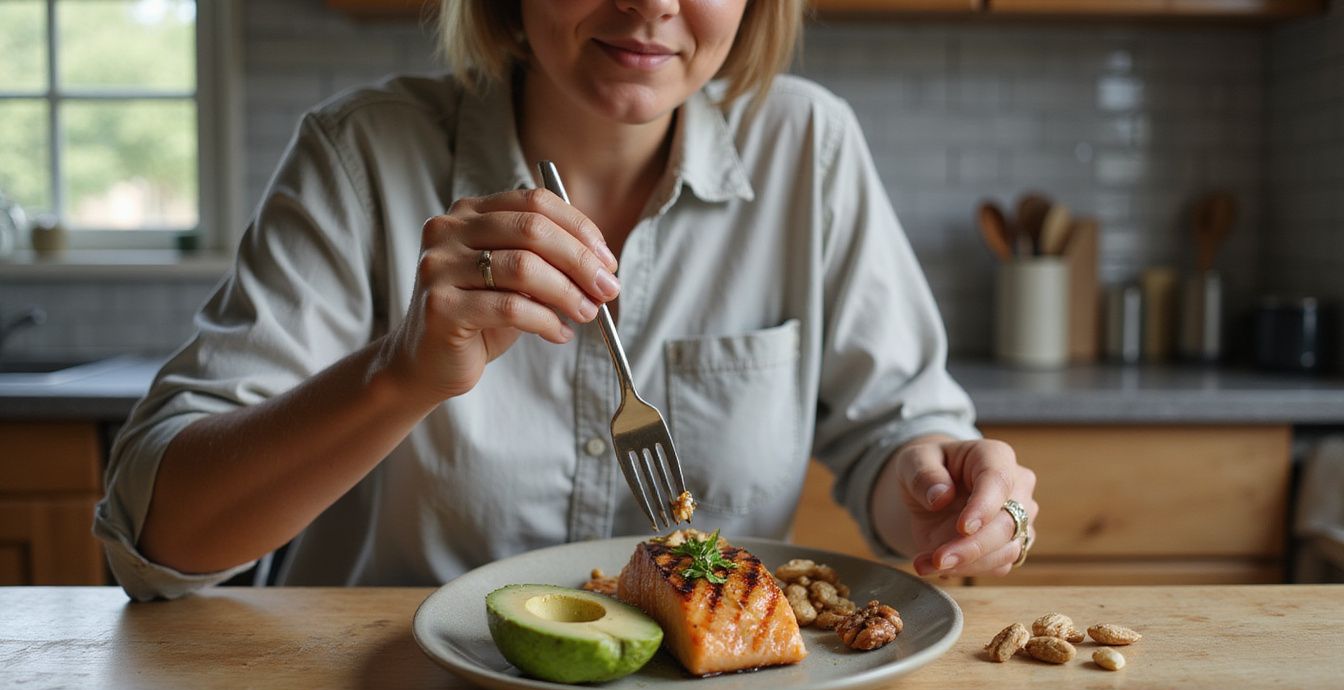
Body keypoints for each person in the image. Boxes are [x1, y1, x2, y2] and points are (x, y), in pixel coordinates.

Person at [94, 0, 1038, 601]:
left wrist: (935, 488)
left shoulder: (811, 146)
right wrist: (398, 377)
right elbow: (155, 540)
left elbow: (892, 435)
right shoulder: (360, 155)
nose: (652, 6)